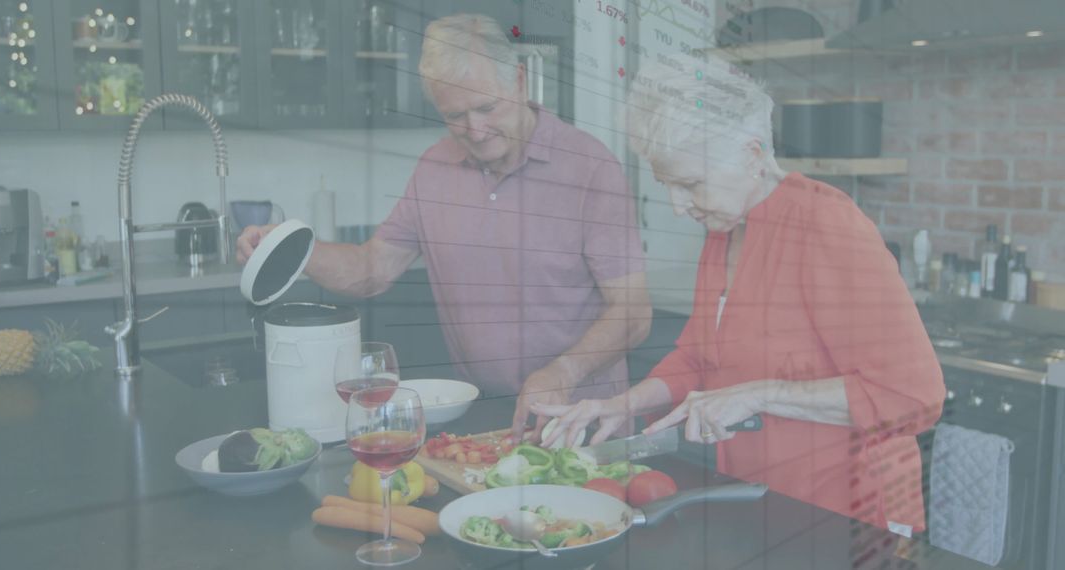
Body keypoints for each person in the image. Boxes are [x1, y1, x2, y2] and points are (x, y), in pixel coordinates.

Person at [535, 55, 945, 533]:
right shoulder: (725, 230)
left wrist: (756, 395)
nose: (677, 205)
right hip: (758, 498)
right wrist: (620, 405)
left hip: (849, 517)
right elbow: (698, 360)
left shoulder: (827, 225)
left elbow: (913, 396)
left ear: (752, 155)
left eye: (690, 184)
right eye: (668, 185)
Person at [236, 14, 651, 441]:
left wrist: (563, 373)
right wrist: (288, 246)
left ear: (521, 81)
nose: (475, 129)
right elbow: (372, 268)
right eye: (455, 115)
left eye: (487, 107)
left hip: (581, 418)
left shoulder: (590, 168)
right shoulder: (434, 168)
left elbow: (634, 311)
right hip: (480, 421)